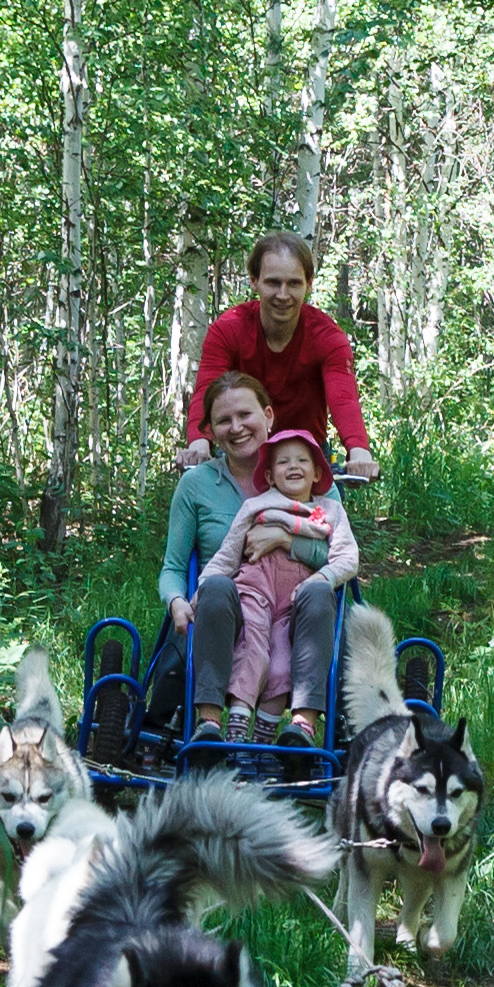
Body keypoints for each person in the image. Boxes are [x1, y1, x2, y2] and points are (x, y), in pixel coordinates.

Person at [163, 371, 349, 743]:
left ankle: (301, 729)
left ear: (268, 415)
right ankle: (207, 726)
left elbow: (336, 558)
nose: (236, 427)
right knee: (214, 588)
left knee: (319, 602)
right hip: (224, 609)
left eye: (245, 415)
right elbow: (174, 567)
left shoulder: (314, 488)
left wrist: (283, 539)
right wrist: (177, 601)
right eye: (223, 421)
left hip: (296, 608)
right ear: (211, 431)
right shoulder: (196, 484)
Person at [188, 233, 375, 485]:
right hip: (242, 452)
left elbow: (344, 398)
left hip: (304, 457)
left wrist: (358, 450)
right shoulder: (229, 329)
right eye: (273, 283)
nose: (283, 294)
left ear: (309, 284)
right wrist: (200, 443)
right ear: (254, 281)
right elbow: (206, 390)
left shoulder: (327, 337)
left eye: (294, 284)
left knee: (326, 522)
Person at [216, 428, 358, 734]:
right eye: (283, 462)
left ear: (317, 472)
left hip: (294, 601)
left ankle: (264, 739)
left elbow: (348, 559)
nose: (293, 466)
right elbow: (228, 555)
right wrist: (203, 589)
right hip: (254, 588)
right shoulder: (255, 506)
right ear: (268, 477)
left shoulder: (330, 510)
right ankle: (237, 726)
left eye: (302, 461)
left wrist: (320, 579)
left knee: (282, 663)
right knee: (252, 650)